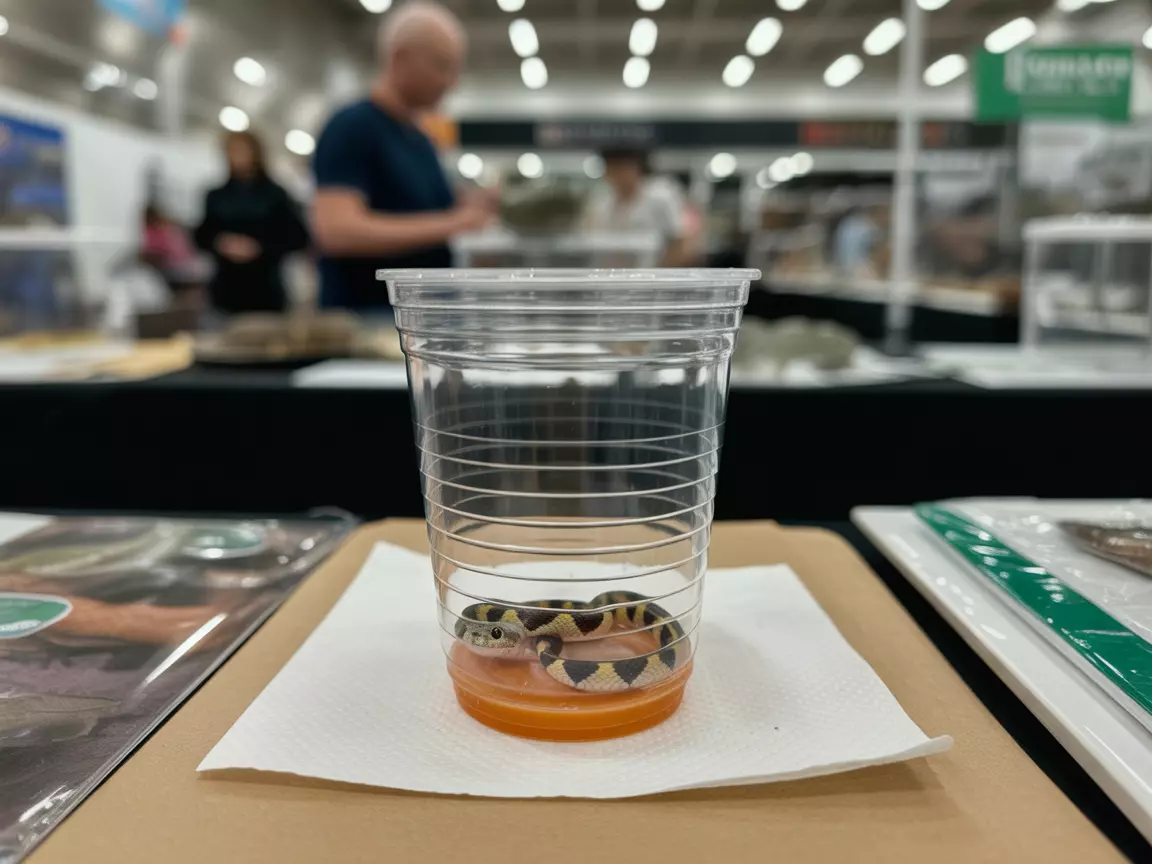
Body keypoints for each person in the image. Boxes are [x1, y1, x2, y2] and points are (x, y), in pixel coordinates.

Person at [311, 1, 495, 312]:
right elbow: (336, 230)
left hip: (420, 320)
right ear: (399, 58)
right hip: (368, 322)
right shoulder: (352, 126)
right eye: (442, 65)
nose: (451, 81)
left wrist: (472, 206)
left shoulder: (420, 139)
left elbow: (429, 210)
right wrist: (455, 223)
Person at [194, 131, 309, 315]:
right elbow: (202, 236)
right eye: (232, 151)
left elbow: (298, 237)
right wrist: (222, 244)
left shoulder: (275, 195)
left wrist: (260, 248)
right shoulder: (216, 196)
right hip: (226, 290)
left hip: (266, 289)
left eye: (242, 150)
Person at [582, 148, 697, 267]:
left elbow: (680, 242)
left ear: (637, 167)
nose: (616, 174)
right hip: (614, 276)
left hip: (653, 274)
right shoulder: (602, 201)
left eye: (621, 168)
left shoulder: (661, 195)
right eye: (611, 168)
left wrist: (659, 274)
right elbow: (592, 240)